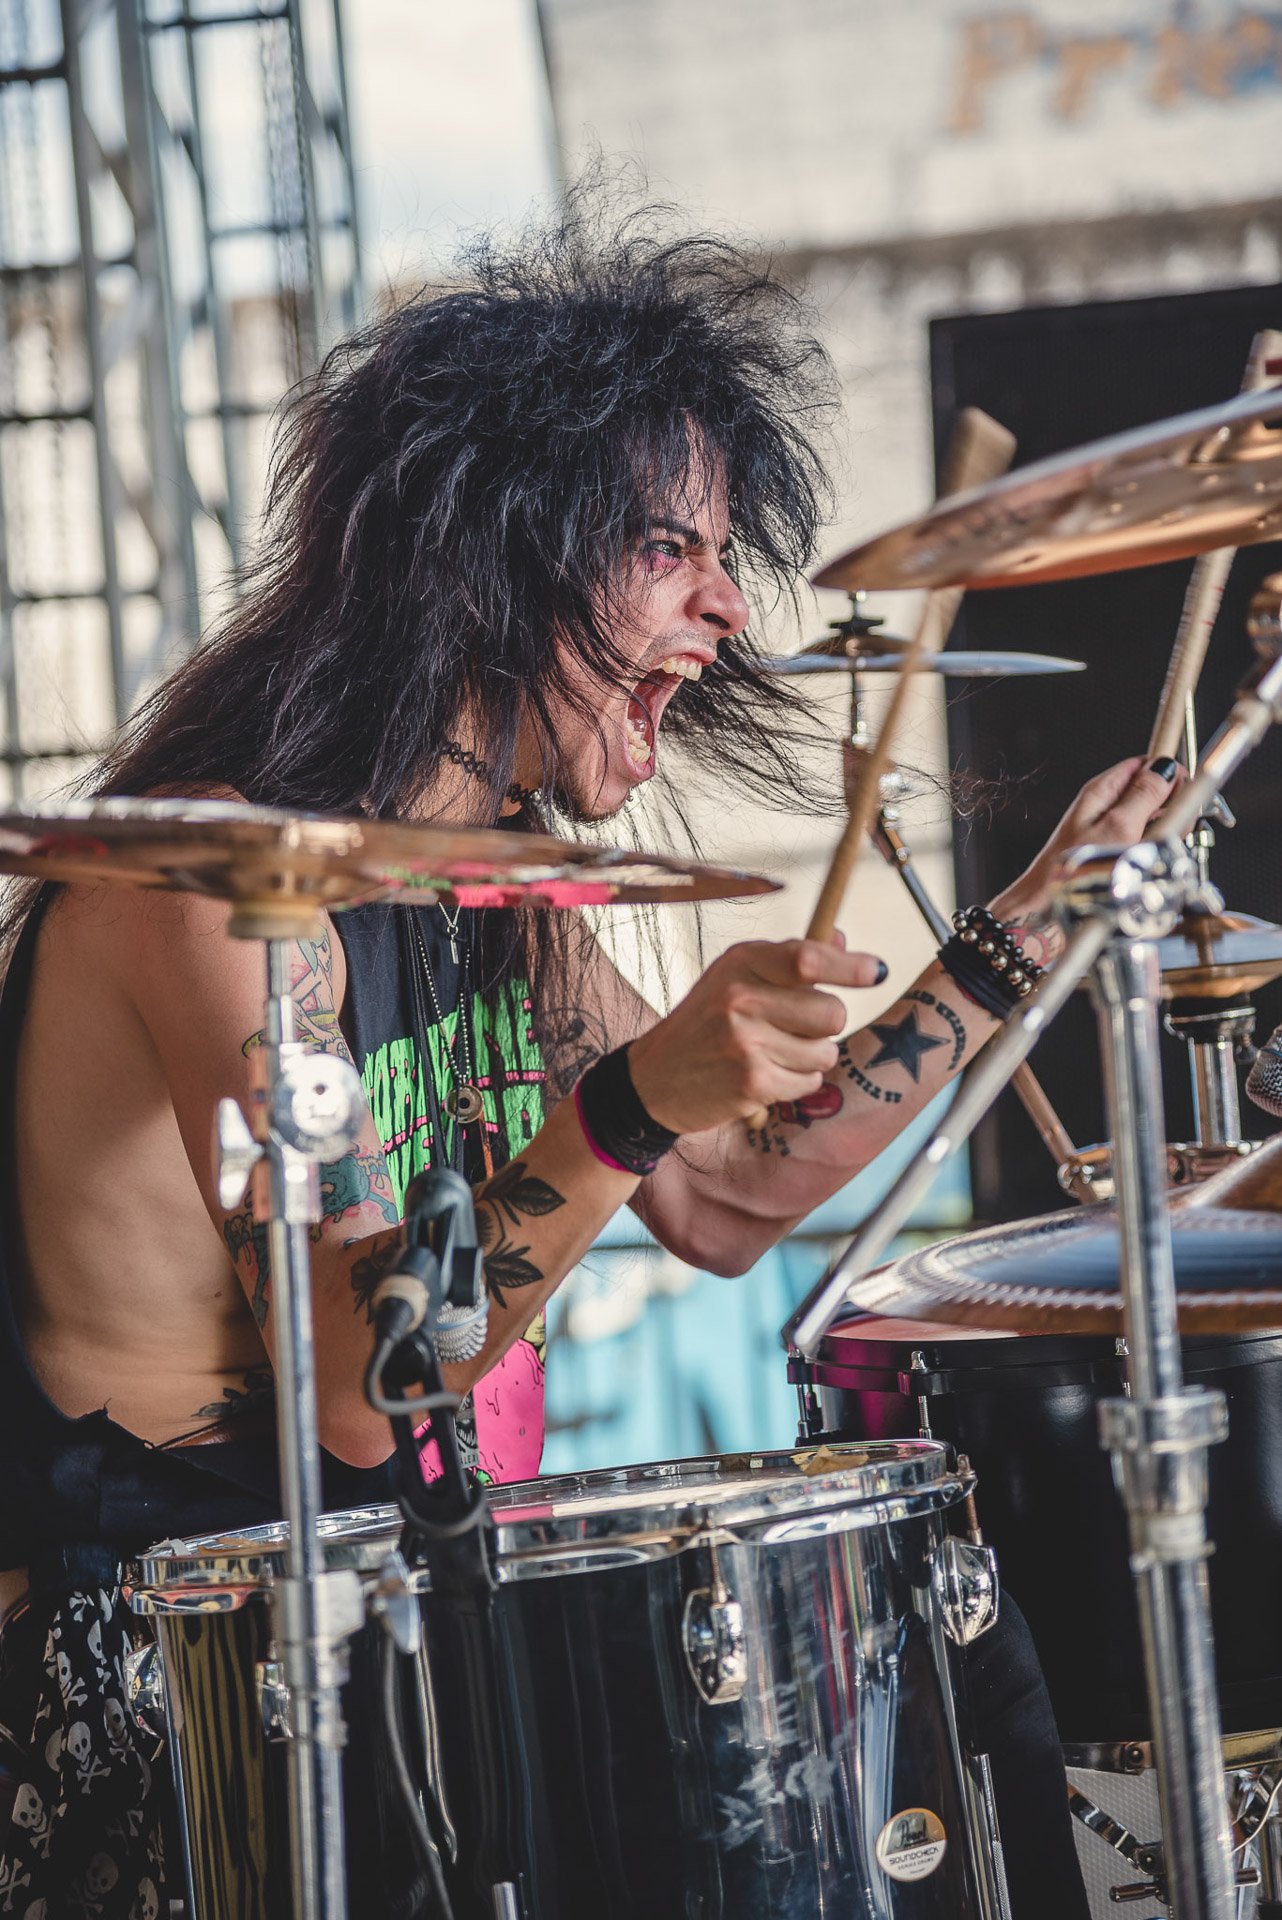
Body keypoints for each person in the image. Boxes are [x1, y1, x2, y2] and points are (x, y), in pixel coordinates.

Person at [0, 201, 1178, 1916]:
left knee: (919, 1683)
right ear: (490, 558)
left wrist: (1028, 926)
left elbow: (734, 1195)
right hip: (174, 1679)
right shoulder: (226, 891)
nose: (725, 606)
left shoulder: (502, 897)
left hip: (399, 1614)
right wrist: (626, 1105)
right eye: (666, 549)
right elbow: (355, 1388)